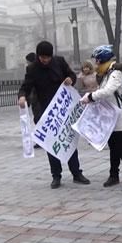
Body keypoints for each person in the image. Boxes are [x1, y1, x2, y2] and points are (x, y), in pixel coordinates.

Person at [17, 41, 90, 189]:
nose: (45, 60)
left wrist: (71, 79)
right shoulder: (32, 68)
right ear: (38, 56)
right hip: (46, 111)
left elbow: (71, 74)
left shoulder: (59, 61)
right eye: (42, 57)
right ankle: (56, 176)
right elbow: (26, 86)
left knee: (67, 141)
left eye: (47, 57)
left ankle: (76, 173)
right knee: (51, 145)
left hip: (63, 109)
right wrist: (22, 96)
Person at [80, 45, 122, 188]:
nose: (96, 64)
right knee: (113, 147)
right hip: (108, 117)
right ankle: (114, 175)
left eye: (97, 61)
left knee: (121, 147)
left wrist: (91, 96)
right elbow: (102, 93)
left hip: (117, 116)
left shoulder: (115, 73)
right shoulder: (106, 73)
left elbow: (108, 91)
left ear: (103, 59)